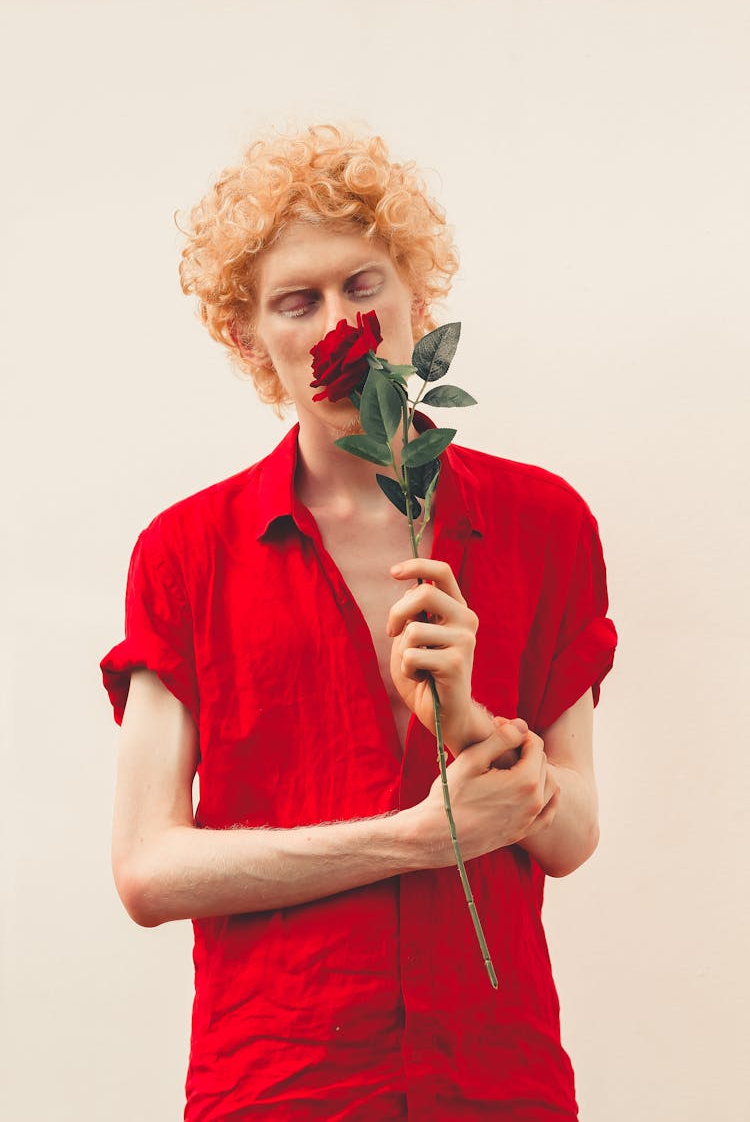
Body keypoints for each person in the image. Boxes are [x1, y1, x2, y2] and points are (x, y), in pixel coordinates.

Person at [101, 123, 617, 1121]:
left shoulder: (544, 524)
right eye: (298, 301)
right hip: (279, 1088)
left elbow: (573, 833)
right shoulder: (186, 555)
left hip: (495, 1082)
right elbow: (147, 872)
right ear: (251, 337)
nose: (339, 320)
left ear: (416, 298)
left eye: (363, 284)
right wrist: (414, 840)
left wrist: (466, 724)